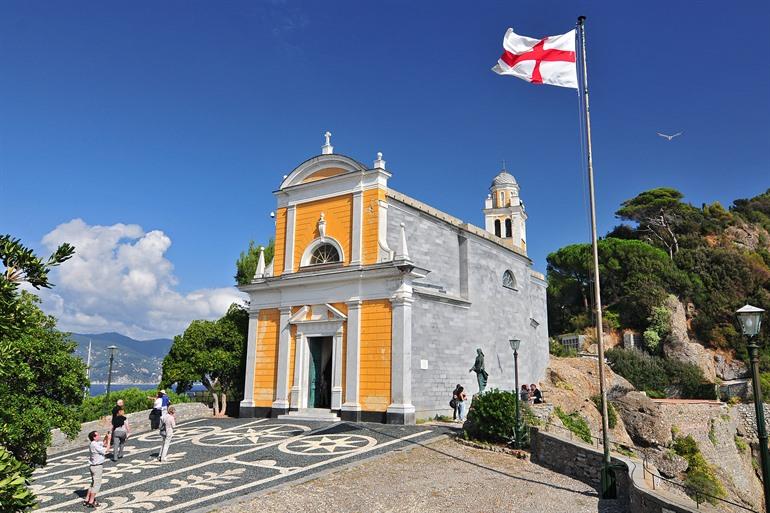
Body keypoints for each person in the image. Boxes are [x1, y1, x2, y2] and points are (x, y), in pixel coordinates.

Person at [84, 430, 111, 508]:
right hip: (97, 467)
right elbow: (107, 449)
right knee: (96, 485)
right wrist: (109, 440)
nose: (99, 436)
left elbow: (104, 443)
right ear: (94, 437)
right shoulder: (95, 445)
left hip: (93, 466)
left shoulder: (94, 443)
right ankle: (91, 501)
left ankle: (86, 500)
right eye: (97, 435)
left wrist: (106, 437)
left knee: (92, 484)